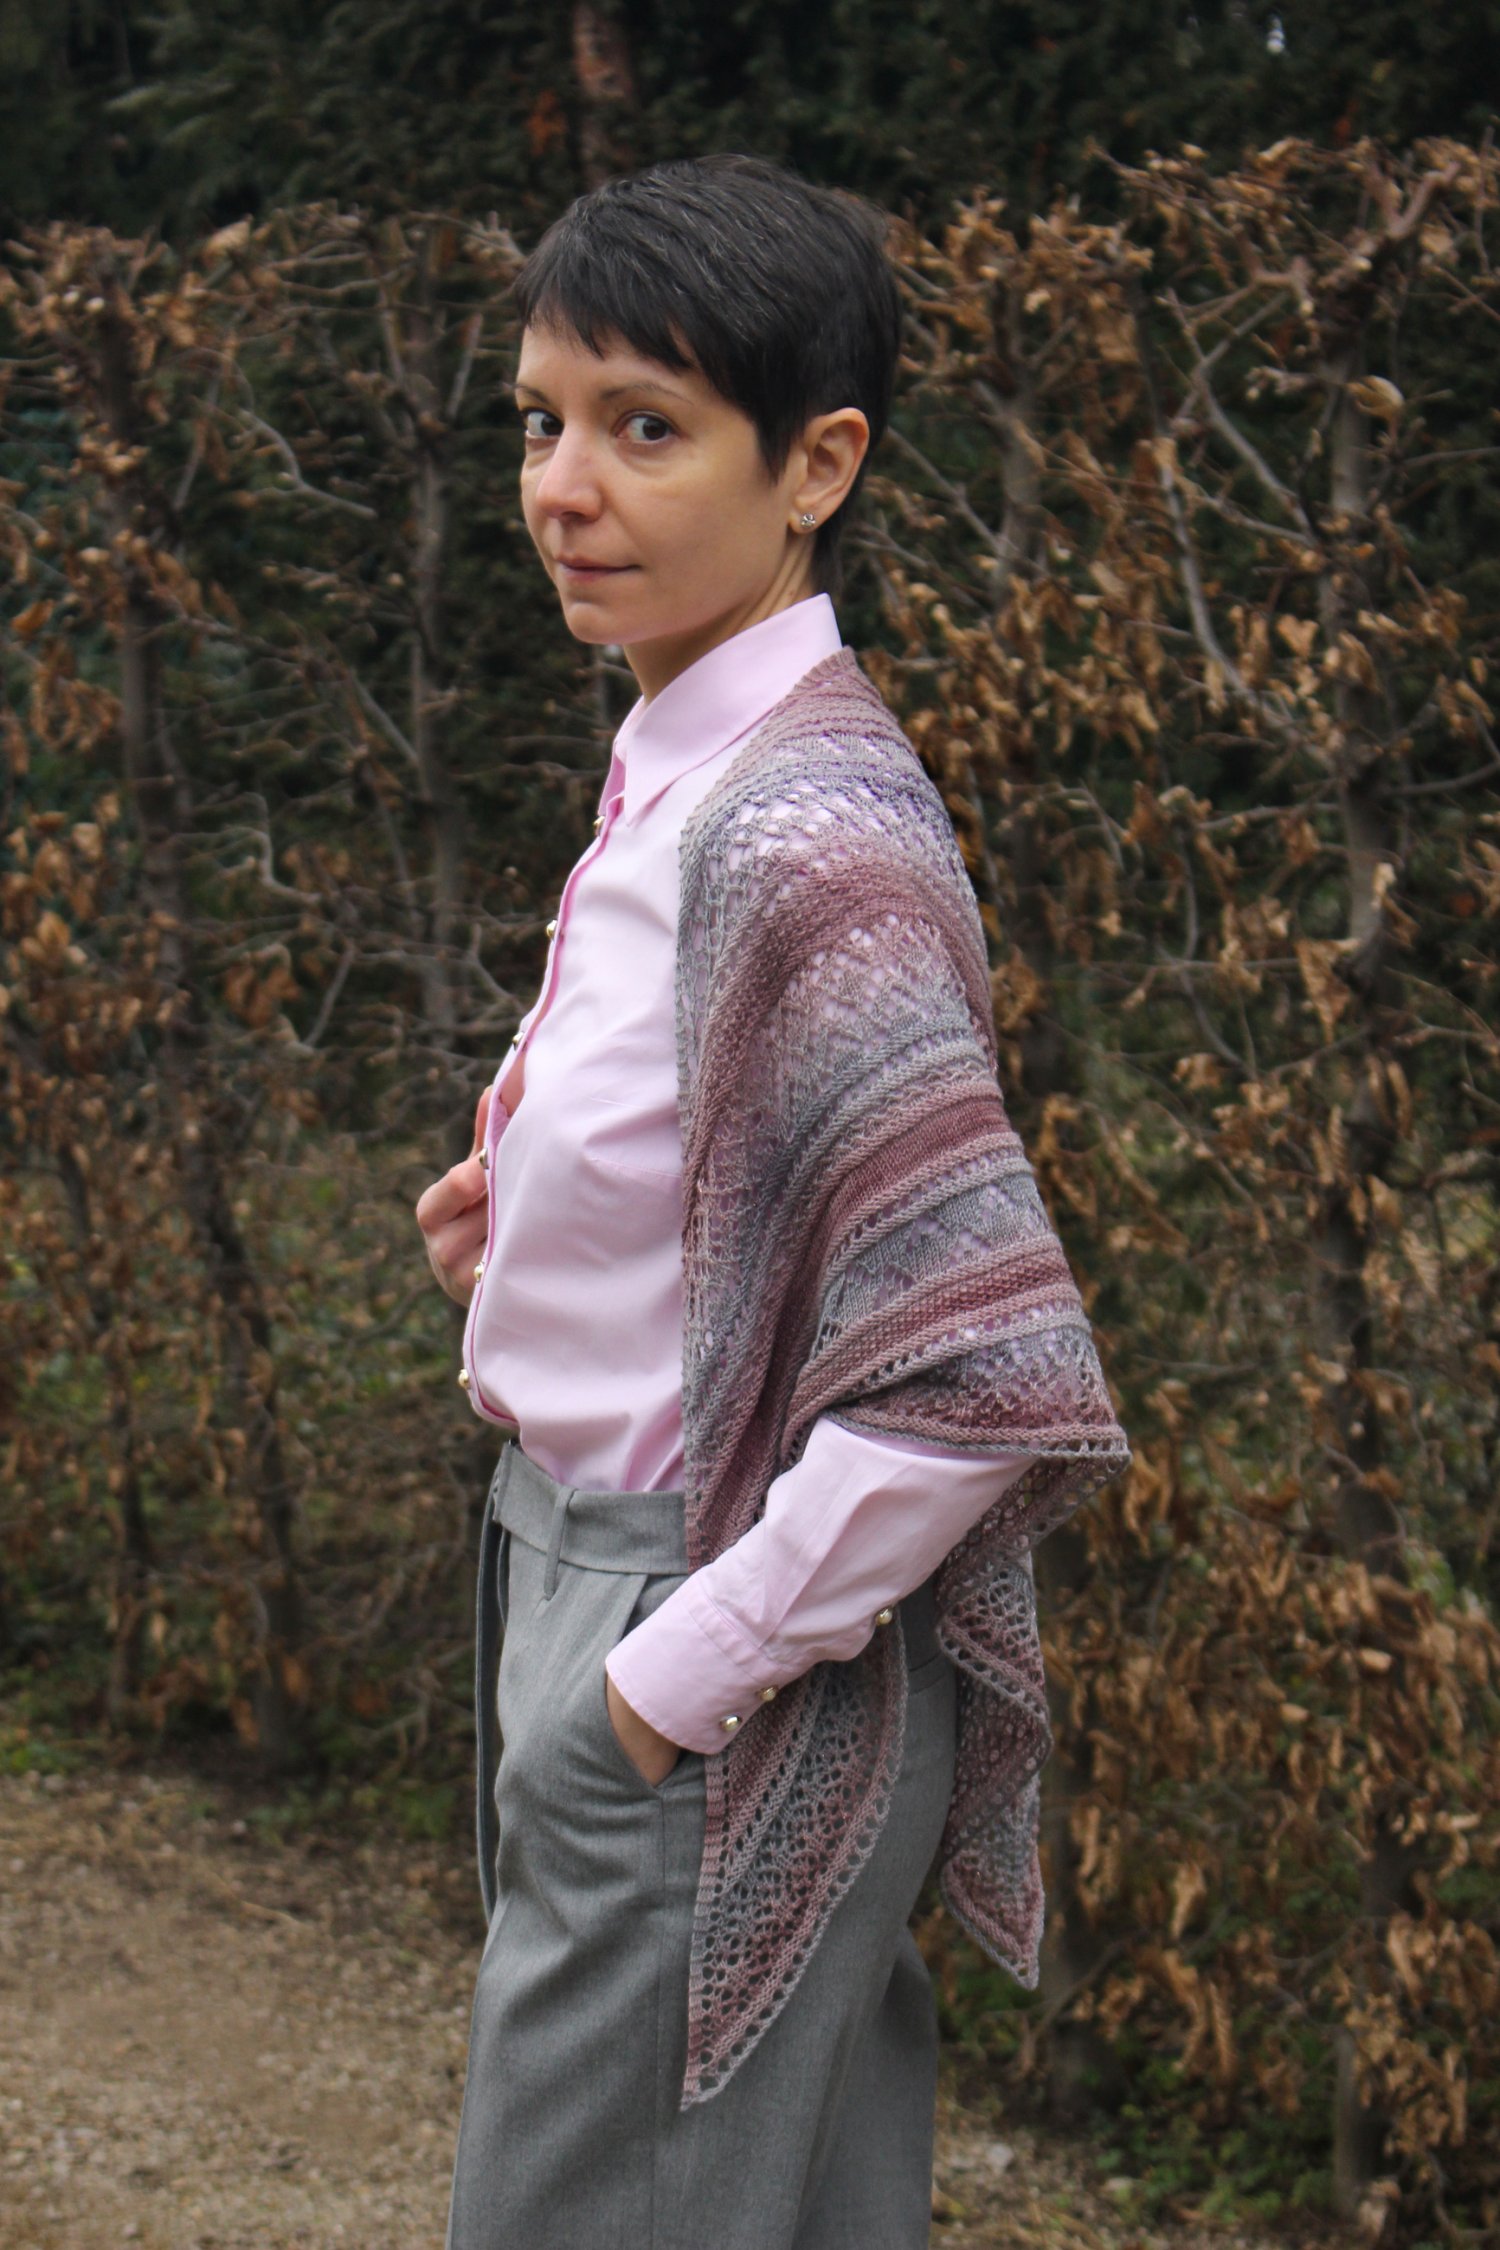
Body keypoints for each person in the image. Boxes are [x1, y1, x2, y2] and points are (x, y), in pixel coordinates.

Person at [415, 153, 1129, 2250]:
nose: (564, 488)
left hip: (701, 1651)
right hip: (609, 1590)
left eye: (646, 427)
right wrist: (544, 1235)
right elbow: (775, 1210)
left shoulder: (807, 834)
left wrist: (661, 1690)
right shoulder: (681, 766)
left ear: (818, 464)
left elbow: (975, 1381)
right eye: (540, 420)